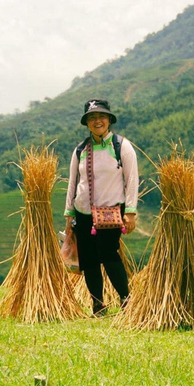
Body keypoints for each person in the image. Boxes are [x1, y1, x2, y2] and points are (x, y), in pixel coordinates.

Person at [64, 99, 139, 316]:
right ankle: (98, 304)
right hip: (83, 212)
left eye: (101, 116)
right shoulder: (80, 150)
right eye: (92, 117)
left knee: (109, 254)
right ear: (87, 122)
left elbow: (132, 179)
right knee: (88, 260)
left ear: (109, 120)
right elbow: (72, 182)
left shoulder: (121, 146)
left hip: (110, 213)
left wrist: (131, 212)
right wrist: (69, 213)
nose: (97, 121)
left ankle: (126, 300)